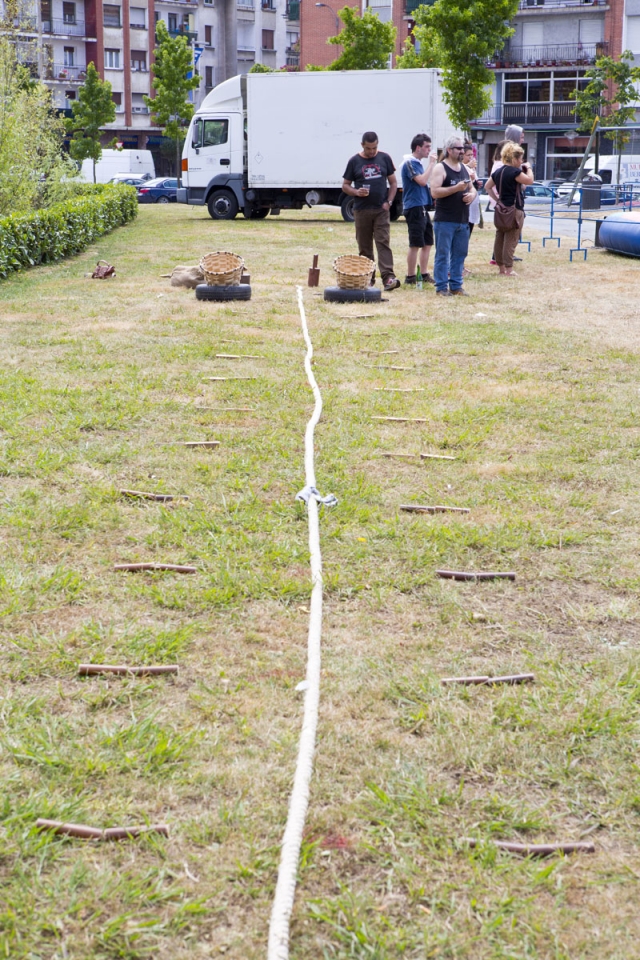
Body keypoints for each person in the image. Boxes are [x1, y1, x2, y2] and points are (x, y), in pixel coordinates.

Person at [342, 131, 401, 292]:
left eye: (374, 148)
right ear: (362, 145)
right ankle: (368, 279)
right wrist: (356, 192)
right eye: (369, 148)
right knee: (364, 246)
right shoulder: (354, 161)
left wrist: (389, 202)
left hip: (381, 209)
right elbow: (345, 185)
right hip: (361, 210)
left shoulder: (384, 158)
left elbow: (393, 183)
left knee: (383, 243)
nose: (372, 151)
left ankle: (388, 277)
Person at [430, 135, 477, 297]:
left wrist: (471, 195)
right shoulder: (440, 168)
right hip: (445, 220)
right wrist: (455, 189)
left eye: (463, 149)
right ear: (449, 150)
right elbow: (434, 192)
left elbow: (473, 188)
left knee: (460, 254)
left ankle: (456, 286)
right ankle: (441, 287)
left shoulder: (463, 168)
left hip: (462, 220)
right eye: (459, 149)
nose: (462, 151)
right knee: (443, 254)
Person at [484, 142, 534, 277]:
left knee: (499, 237)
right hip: (514, 209)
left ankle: (501, 268)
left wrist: (497, 199)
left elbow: (487, 186)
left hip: (500, 209)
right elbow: (529, 180)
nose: (522, 161)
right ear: (515, 158)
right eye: (520, 158)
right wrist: (528, 168)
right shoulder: (515, 172)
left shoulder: (498, 172)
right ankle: (509, 269)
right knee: (511, 239)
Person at [401, 133, 438, 285]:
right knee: (415, 243)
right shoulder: (409, 163)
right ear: (418, 148)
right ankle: (410, 276)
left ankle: (423, 273)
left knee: (428, 242)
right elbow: (422, 181)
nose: (429, 150)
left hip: (422, 206)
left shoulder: (418, 163)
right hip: (414, 207)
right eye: (427, 147)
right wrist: (431, 164)